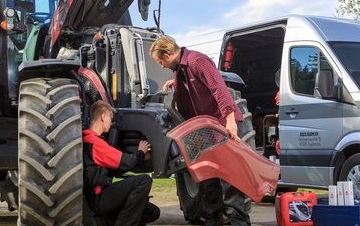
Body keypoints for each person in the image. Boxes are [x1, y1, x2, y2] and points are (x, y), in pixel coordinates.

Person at [149, 35, 253, 226]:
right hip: (204, 130)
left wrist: (230, 120)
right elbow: (196, 86)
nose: (161, 65)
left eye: (160, 61)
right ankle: (213, 219)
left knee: (230, 177)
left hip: (221, 126)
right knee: (207, 176)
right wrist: (176, 83)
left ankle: (239, 221)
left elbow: (218, 89)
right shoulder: (180, 70)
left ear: (168, 54)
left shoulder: (198, 61)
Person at [83, 100, 160, 226]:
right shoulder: (94, 142)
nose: (111, 122)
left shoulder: (88, 140)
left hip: (97, 198)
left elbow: (116, 168)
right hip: (99, 198)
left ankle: (102, 222)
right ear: (103, 116)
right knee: (144, 181)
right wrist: (141, 152)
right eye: (110, 117)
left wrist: (138, 159)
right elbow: (125, 161)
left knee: (152, 212)